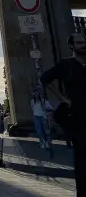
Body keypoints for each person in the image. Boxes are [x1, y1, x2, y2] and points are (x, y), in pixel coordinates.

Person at [41, 29, 86, 196]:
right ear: (72, 46)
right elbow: (45, 78)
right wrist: (63, 99)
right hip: (79, 116)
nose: (84, 45)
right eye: (80, 43)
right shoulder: (65, 65)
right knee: (82, 158)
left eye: (85, 42)